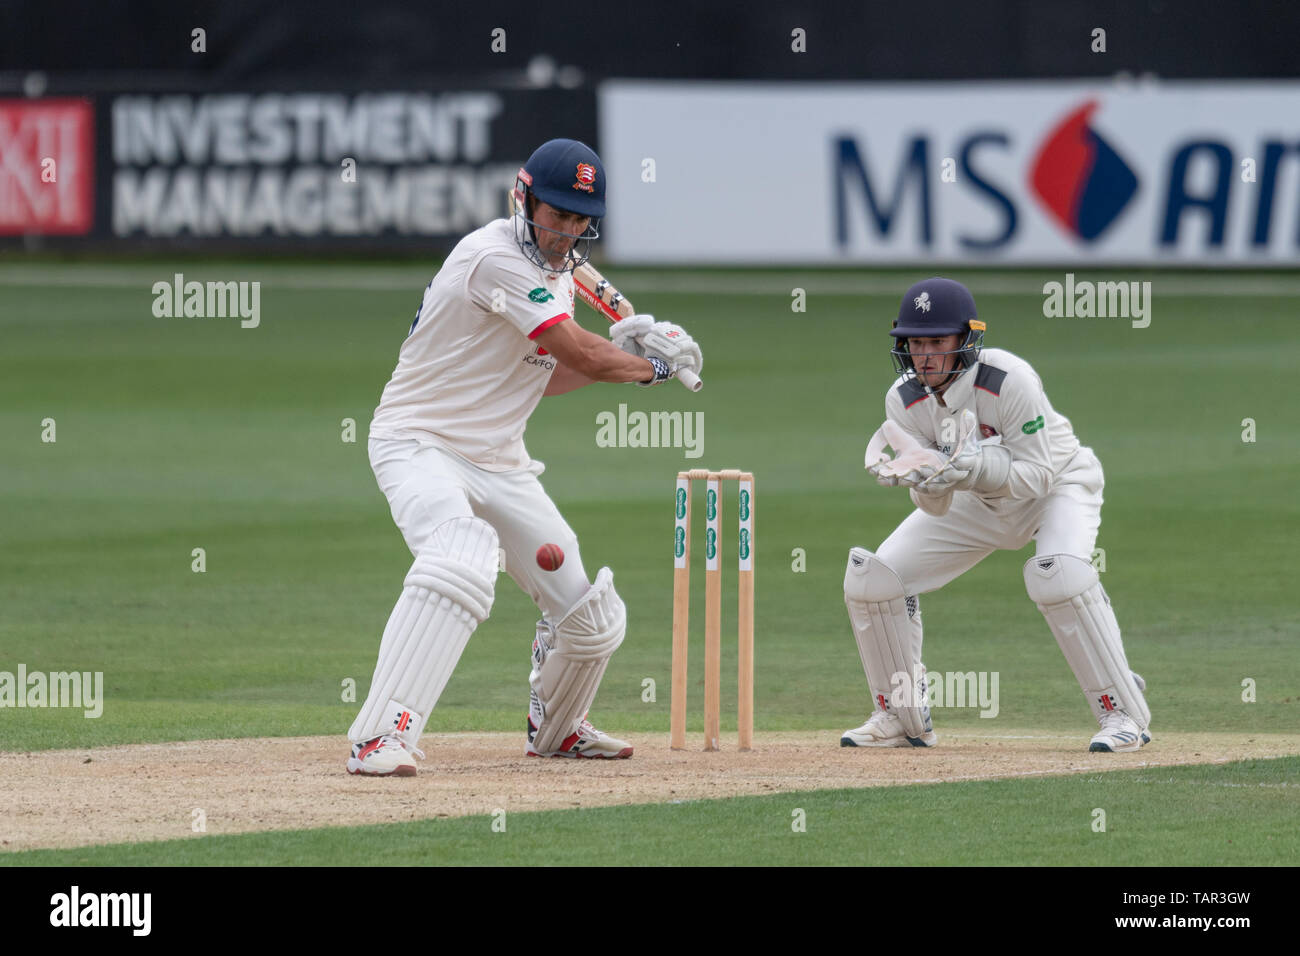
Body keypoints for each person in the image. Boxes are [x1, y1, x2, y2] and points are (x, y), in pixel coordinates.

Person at [346, 138, 703, 776]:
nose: (565, 233)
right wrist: (648, 368)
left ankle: (558, 729)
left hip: (500, 460)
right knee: (460, 556)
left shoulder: (560, 278)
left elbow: (556, 370)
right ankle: (380, 734)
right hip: (419, 441)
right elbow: (582, 353)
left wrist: (618, 352)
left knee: (590, 615)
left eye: (577, 221)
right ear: (524, 198)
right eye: (555, 215)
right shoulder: (493, 258)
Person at [842, 277, 1150, 753]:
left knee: (1058, 575)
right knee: (874, 578)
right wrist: (924, 480)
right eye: (916, 342)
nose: (924, 355)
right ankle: (901, 715)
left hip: (1059, 486)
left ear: (966, 339)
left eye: (937, 341)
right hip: (976, 503)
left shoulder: (1007, 379)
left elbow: (1038, 476)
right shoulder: (902, 401)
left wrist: (975, 466)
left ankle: (1122, 712)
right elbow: (937, 507)